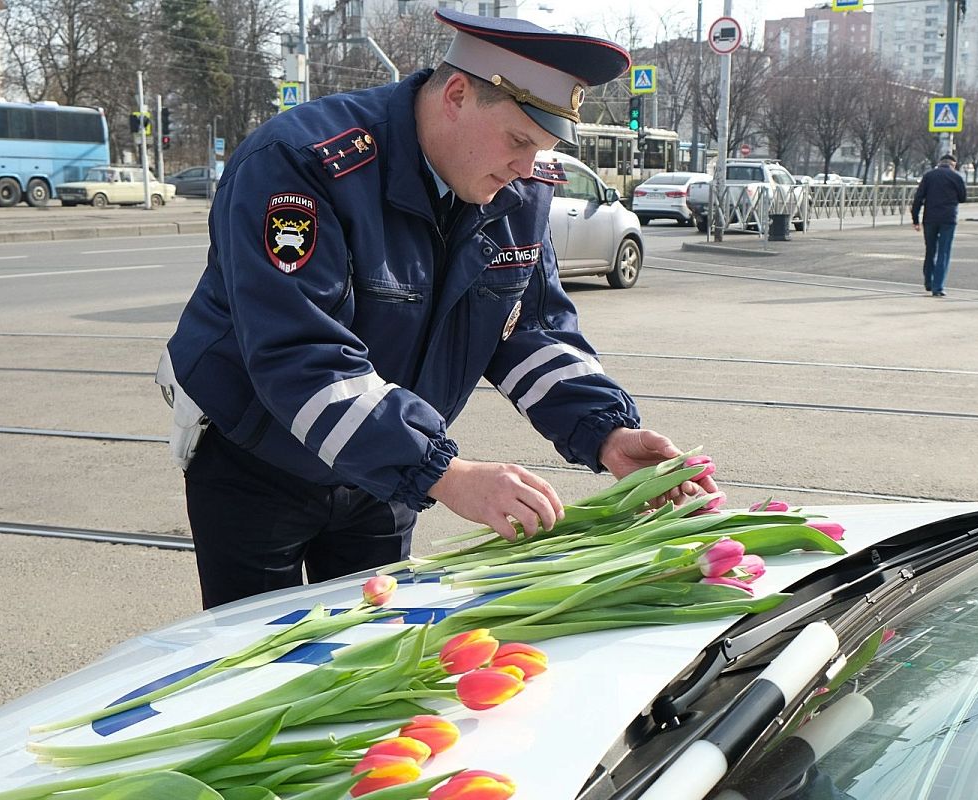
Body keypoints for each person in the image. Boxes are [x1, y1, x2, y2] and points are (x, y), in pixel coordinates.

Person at [155, 9, 717, 609]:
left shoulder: (515, 188)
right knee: (256, 660)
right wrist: (443, 473)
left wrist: (607, 432)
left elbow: (529, 331)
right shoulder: (302, 162)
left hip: (383, 469)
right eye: (521, 140)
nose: (529, 168)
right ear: (456, 94)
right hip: (258, 457)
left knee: (362, 650)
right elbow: (301, 358)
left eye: (546, 148)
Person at [910, 154, 966, 297]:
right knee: (944, 252)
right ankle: (938, 287)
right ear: (953, 164)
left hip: (930, 219)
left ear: (940, 163)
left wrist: (915, 220)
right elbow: (963, 198)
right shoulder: (957, 177)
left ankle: (928, 281)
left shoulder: (929, 176)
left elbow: (918, 198)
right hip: (948, 219)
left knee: (930, 250)